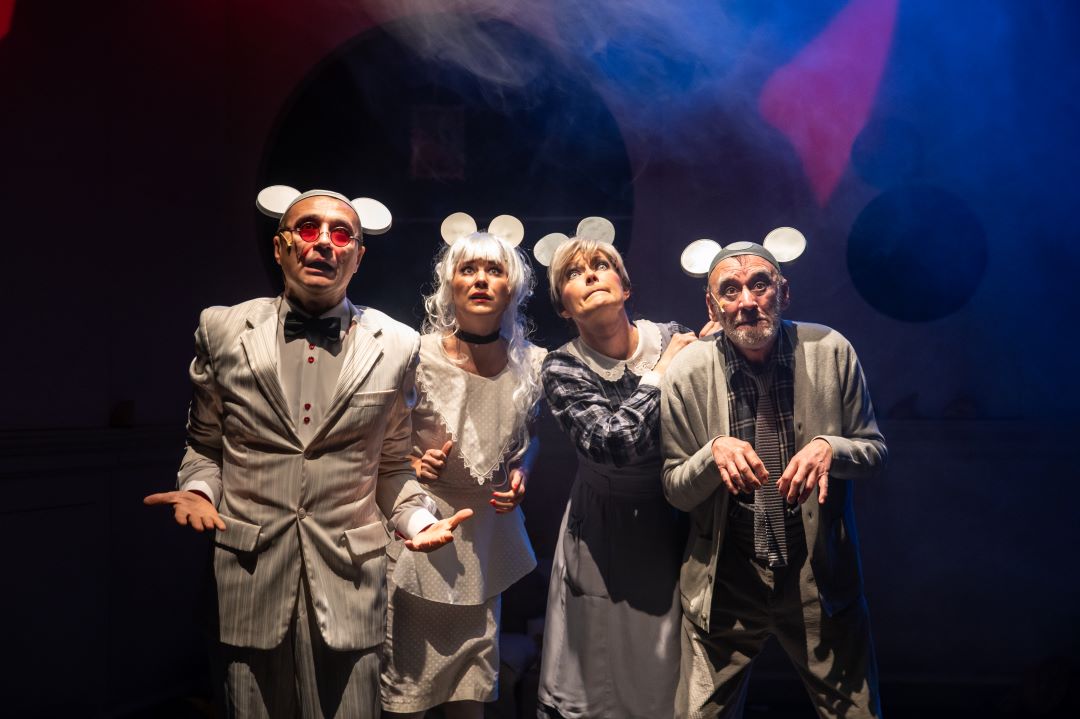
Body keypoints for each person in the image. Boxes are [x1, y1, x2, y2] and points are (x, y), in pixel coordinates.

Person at [144, 187, 469, 718]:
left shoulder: (397, 343)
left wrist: (416, 521)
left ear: (358, 256)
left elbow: (391, 465)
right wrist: (199, 491)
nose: (323, 243)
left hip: (350, 582)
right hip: (247, 578)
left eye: (341, 235)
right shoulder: (222, 329)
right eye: (309, 229)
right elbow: (204, 446)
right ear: (280, 247)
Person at [660, 242, 887, 718]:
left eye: (759, 285)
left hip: (816, 575)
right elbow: (676, 489)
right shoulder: (686, 372)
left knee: (855, 711)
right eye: (730, 290)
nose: (747, 301)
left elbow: (874, 452)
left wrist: (831, 448)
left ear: (783, 292)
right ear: (712, 306)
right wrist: (712, 454)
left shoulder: (830, 350)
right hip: (727, 578)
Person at [380, 220, 545, 719]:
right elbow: (381, 440)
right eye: (468, 269)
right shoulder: (417, 354)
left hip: (485, 539)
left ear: (512, 287)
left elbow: (530, 437)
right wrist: (414, 459)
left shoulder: (531, 363)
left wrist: (522, 471)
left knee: (472, 694)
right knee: (405, 694)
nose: (480, 280)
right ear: (449, 284)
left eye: (493, 270)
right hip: (421, 529)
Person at [536, 234, 697, 719]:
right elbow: (612, 443)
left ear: (625, 287)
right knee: (599, 675)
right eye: (573, 273)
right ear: (563, 307)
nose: (589, 275)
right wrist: (661, 374)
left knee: (669, 672)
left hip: (674, 517)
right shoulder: (562, 366)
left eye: (601, 265)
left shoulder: (672, 336)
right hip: (603, 524)